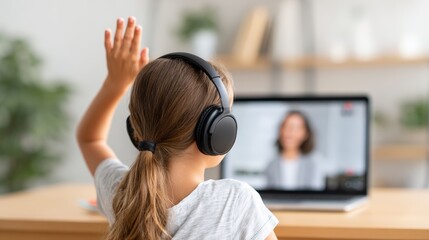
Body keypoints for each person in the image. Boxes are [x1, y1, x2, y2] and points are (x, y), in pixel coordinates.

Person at [76, 17, 278, 240]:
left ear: (137, 129)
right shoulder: (236, 202)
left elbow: (90, 139)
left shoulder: (122, 192)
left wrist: (114, 84)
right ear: (217, 132)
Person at [265, 111, 326, 190]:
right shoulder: (271, 165)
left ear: (306, 134)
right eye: (286, 126)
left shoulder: (316, 163)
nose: (289, 132)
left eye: (296, 128)